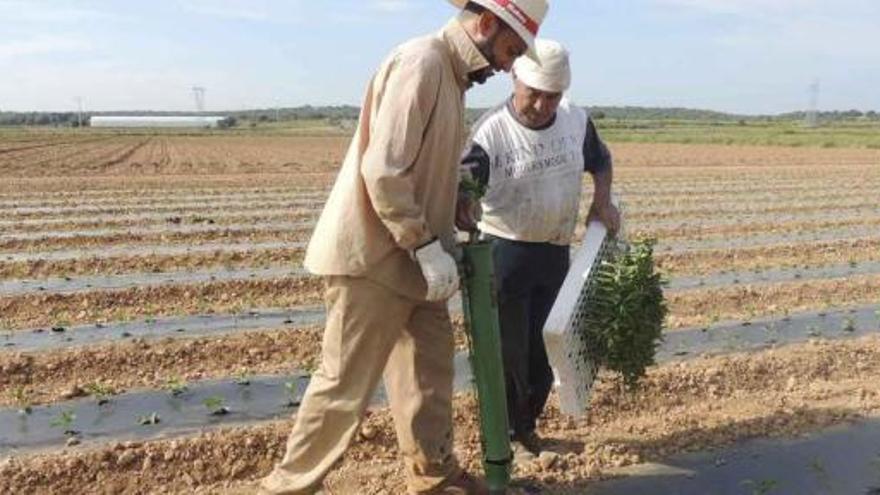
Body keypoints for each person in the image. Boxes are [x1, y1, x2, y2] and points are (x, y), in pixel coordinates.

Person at [259, 1, 549, 494]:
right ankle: (286, 489)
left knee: (428, 377)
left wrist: (455, 196)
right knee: (342, 389)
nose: (507, 66)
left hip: (421, 262)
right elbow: (384, 170)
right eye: (508, 49)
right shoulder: (425, 61)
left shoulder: (453, 78)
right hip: (376, 257)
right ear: (484, 24)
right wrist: (423, 244)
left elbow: (425, 162)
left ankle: (434, 478)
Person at [456, 39, 619, 462]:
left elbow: (600, 161)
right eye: (536, 95)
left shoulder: (575, 121)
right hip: (505, 251)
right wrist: (465, 205)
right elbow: (466, 189)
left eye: (553, 96)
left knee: (547, 348)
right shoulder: (491, 132)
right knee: (509, 350)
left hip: (554, 251)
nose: (544, 106)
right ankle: (509, 435)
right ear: (515, 79)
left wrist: (601, 201)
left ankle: (529, 426)